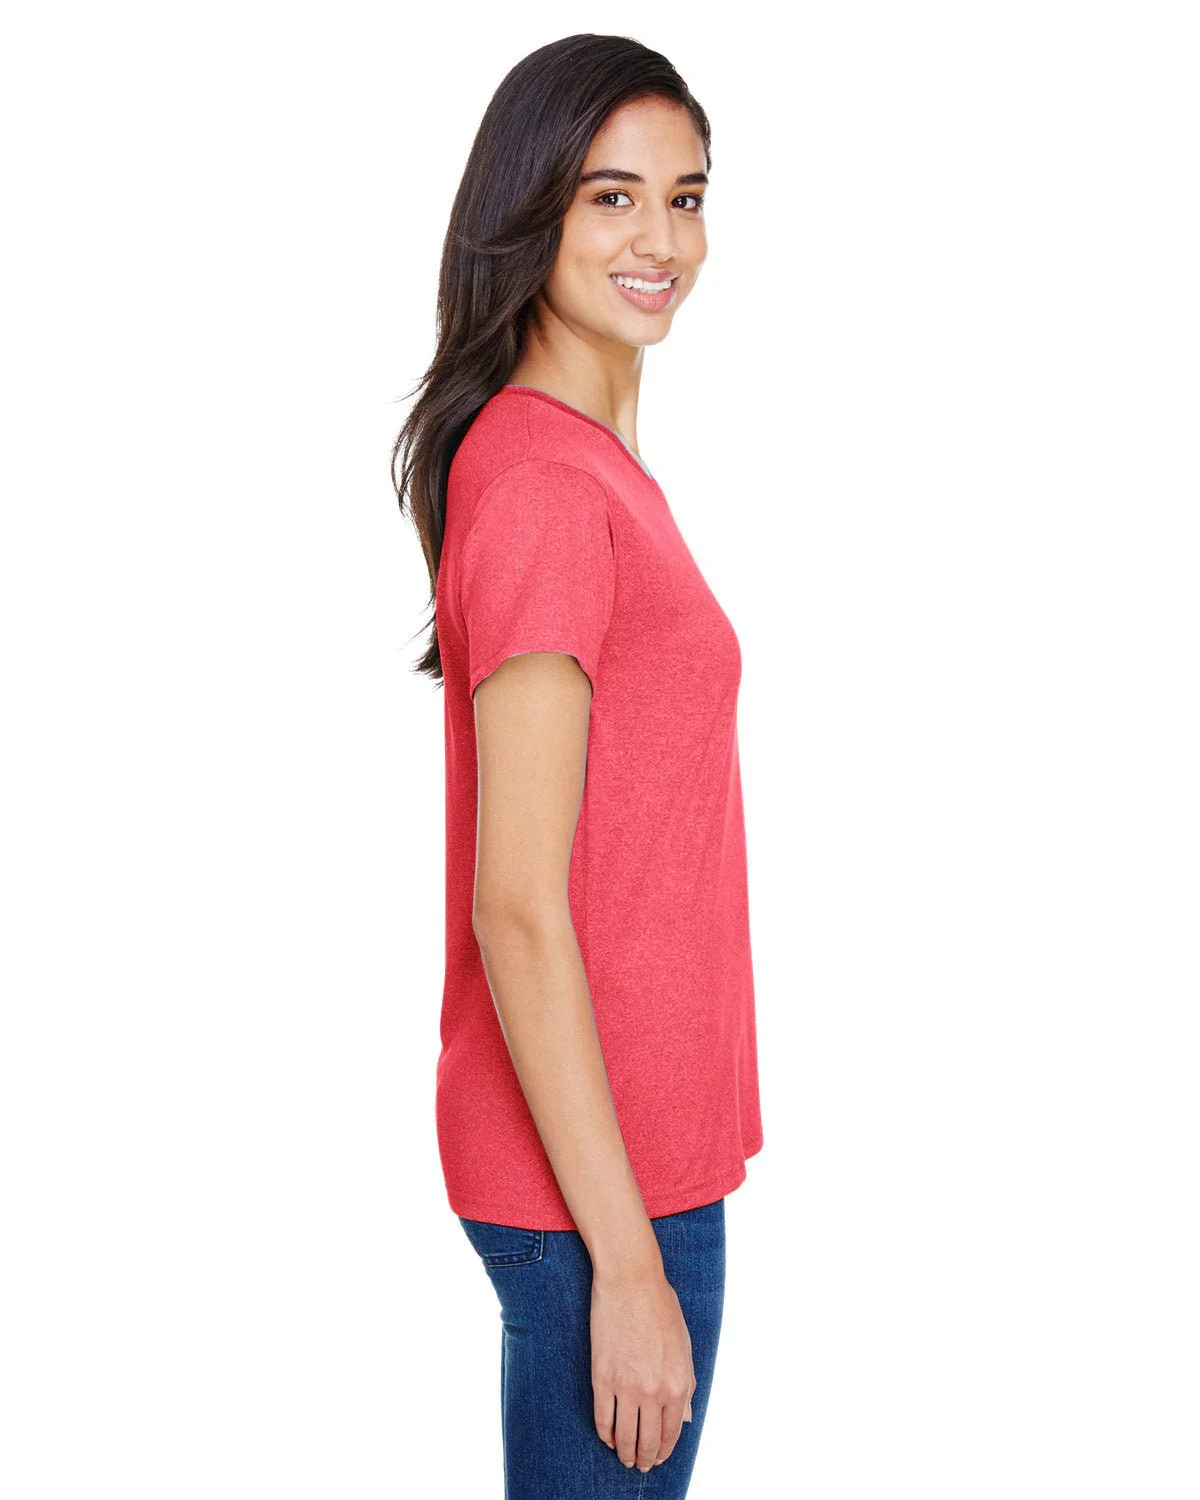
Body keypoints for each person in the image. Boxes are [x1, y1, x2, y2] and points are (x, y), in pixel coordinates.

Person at [393, 34, 764, 1498]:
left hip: (633, 1153)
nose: (660, 240)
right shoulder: (546, 482)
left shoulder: (581, 466)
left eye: (687, 196)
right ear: (530, 208)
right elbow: (518, 905)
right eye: (613, 197)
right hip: (599, 1187)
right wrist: (626, 1261)